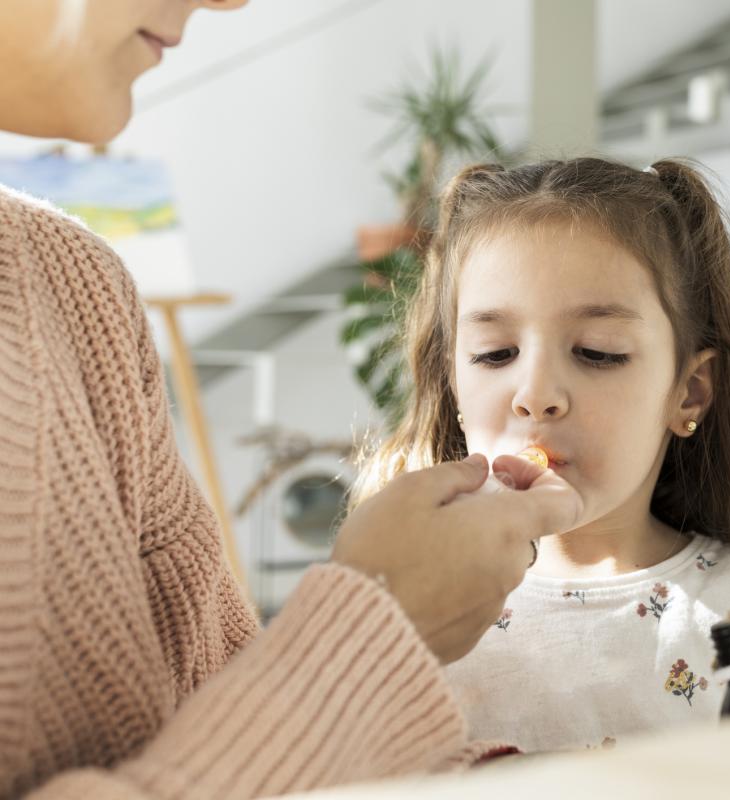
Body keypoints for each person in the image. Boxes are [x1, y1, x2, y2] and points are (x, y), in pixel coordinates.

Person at [0, 1, 585, 797]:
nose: (231, 0)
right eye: (491, 352)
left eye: (600, 352)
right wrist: (380, 626)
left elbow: (225, 705)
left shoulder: (78, 289)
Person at [351, 158, 730, 753]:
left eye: (598, 352)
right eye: (493, 353)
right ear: (452, 383)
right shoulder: (414, 600)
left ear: (687, 391)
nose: (534, 395)